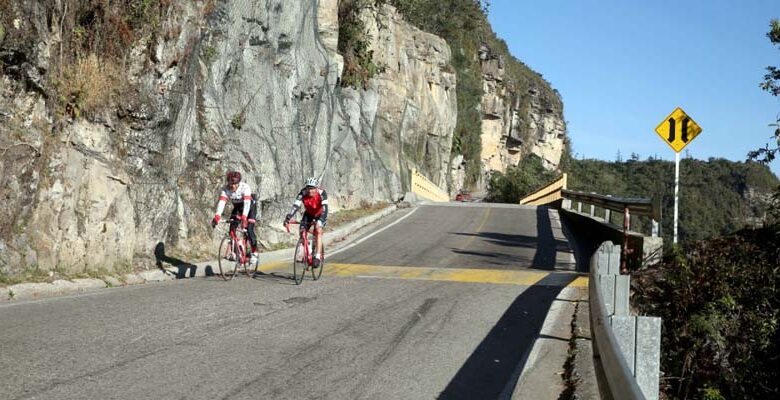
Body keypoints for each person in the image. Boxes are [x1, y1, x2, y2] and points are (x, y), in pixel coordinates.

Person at [211, 171, 259, 265]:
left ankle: (254, 252)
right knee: (232, 228)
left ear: (238, 183)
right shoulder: (225, 189)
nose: (231, 186)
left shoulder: (245, 188)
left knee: (249, 229)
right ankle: (236, 251)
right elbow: (221, 203)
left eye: (234, 184)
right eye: (230, 183)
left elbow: (247, 204)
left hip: (250, 207)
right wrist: (217, 216)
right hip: (237, 207)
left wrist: (244, 217)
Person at [284, 177, 328, 268]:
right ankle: (307, 251)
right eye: (308, 188)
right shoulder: (303, 192)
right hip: (308, 214)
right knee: (302, 232)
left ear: (316, 188)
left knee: (318, 230)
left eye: (312, 188)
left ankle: (318, 257)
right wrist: (288, 217)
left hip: (320, 214)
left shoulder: (322, 193)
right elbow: (296, 206)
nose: (310, 191)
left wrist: (320, 221)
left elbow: (325, 209)